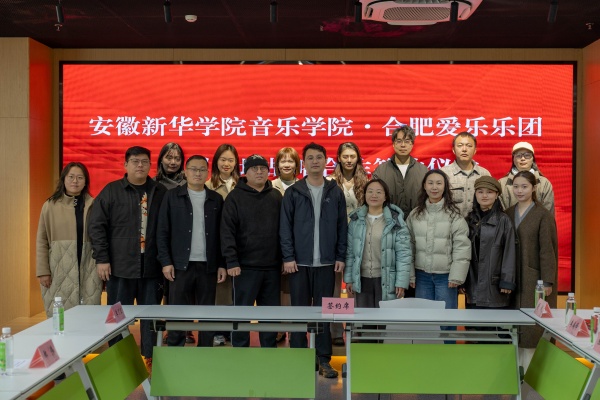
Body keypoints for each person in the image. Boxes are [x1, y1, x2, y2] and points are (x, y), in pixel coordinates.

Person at [89, 146, 167, 370]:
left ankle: (150, 357)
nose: (140, 165)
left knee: (151, 316)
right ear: (125, 165)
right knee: (117, 317)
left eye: (144, 161)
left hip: (152, 267)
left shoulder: (160, 191)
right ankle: (119, 357)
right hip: (120, 267)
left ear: (150, 165)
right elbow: (96, 226)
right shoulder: (112, 191)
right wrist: (102, 258)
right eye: (135, 161)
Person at [280, 142, 347, 379]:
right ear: (304, 163)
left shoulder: (335, 192)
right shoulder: (293, 192)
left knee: (324, 314)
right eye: (310, 158)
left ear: (326, 161)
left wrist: (340, 256)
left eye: (319, 157)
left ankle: (323, 359)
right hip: (299, 264)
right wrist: (288, 257)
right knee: (299, 312)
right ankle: (300, 358)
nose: (315, 161)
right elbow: (285, 227)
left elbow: (342, 227)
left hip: (327, 264)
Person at [157, 155, 227, 348]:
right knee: (177, 312)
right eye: (194, 169)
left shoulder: (216, 199)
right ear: (185, 172)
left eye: (202, 169)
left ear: (208, 172)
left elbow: (223, 235)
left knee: (207, 313)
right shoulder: (172, 197)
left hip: (208, 265)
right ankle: (175, 350)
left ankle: (205, 351)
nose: (198, 173)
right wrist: (166, 262)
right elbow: (162, 231)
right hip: (180, 265)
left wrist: (222, 263)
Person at [221, 154, 282, 348]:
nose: (259, 172)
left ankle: (269, 350)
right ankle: (240, 351)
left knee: (270, 316)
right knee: (241, 314)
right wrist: (231, 261)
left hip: (272, 267)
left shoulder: (276, 196)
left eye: (263, 168)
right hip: (244, 268)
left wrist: (283, 259)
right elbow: (227, 232)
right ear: (246, 172)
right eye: (254, 169)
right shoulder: (235, 197)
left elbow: (284, 230)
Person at [504, 171, 558, 363]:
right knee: (513, 330)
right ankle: (515, 374)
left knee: (532, 329)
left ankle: (533, 374)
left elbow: (547, 251)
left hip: (534, 281)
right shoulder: (508, 213)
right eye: (516, 186)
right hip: (511, 279)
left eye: (524, 186)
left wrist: (547, 281)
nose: (519, 191)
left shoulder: (543, 215)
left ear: (534, 188)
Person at [36, 162, 102, 317]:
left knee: (89, 315)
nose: (75, 181)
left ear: (85, 181)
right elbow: (41, 241)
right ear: (63, 179)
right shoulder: (50, 206)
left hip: (88, 267)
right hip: (58, 268)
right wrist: (43, 271)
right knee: (61, 315)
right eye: (71, 177)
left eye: (80, 177)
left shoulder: (94, 205)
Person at [406, 170, 470, 313]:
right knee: (424, 317)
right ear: (424, 186)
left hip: (446, 277)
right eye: (430, 183)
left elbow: (462, 247)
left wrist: (457, 276)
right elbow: (408, 246)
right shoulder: (415, 214)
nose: (434, 187)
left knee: (446, 318)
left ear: (445, 186)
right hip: (421, 275)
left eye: (439, 183)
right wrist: (410, 274)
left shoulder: (454, 215)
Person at [345, 179, 411, 307]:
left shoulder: (396, 221)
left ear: (385, 196)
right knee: (364, 318)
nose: (374, 195)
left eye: (379, 192)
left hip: (386, 279)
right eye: (370, 191)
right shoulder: (355, 220)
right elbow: (350, 252)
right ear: (364, 195)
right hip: (361, 279)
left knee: (385, 318)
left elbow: (404, 254)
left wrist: (401, 282)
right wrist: (349, 279)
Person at [329, 142, 369, 345]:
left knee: (355, 287)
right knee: (334, 289)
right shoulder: (330, 182)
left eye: (352, 156)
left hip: (358, 240)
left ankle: (356, 329)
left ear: (358, 158)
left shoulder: (366, 181)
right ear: (338, 158)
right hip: (334, 241)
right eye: (345, 156)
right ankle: (335, 331)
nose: (349, 160)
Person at [154, 142, 191, 343]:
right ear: (161, 159)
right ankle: (167, 327)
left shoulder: (189, 184)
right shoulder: (154, 185)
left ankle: (184, 327)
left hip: (183, 246)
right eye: (169, 157)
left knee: (182, 289)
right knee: (163, 289)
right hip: (159, 244)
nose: (173, 162)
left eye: (177, 158)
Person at [205, 143, 240, 345]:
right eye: (223, 159)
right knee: (220, 291)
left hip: (239, 247)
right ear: (216, 161)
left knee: (237, 292)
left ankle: (235, 330)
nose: (226, 164)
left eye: (231, 160)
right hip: (215, 245)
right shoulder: (208, 185)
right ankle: (218, 330)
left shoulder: (242, 185)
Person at [464, 176, 516, 309]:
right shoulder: (469, 220)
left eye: (489, 192)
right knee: (472, 321)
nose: (484, 195)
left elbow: (509, 252)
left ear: (497, 195)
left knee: (493, 321)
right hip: (473, 286)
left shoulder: (504, 220)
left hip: (495, 286)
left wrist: (507, 281)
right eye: (480, 192)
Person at [271, 147, 301, 343]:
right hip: (273, 246)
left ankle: (294, 330)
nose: (287, 164)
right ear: (277, 165)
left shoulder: (303, 186)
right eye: (283, 161)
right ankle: (279, 329)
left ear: (297, 165)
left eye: (291, 161)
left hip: (297, 247)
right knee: (277, 291)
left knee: (293, 291)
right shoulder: (269, 186)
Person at [372, 126, 428, 220]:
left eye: (407, 141)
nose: (403, 145)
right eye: (399, 141)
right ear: (393, 144)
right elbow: (374, 199)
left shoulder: (423, 171)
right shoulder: (380, 171)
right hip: (389, 222)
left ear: (412, 145)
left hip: (417, 222)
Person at [440, 132, 491, 218]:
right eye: (460, 145)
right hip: (451, 224)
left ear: (475, 150)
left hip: (479, 224)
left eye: (469, 146)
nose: (464, 149)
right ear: (453, 150)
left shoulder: (484, 174)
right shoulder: (444, 174)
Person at [499, 142, 555, 215]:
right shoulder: (502, 183)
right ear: (513, 159)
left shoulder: (544, 183)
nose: (523, 158)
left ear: (533, 159)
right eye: (518, 155)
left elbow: (548, 214)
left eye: (527, 155)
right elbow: (500, 214)